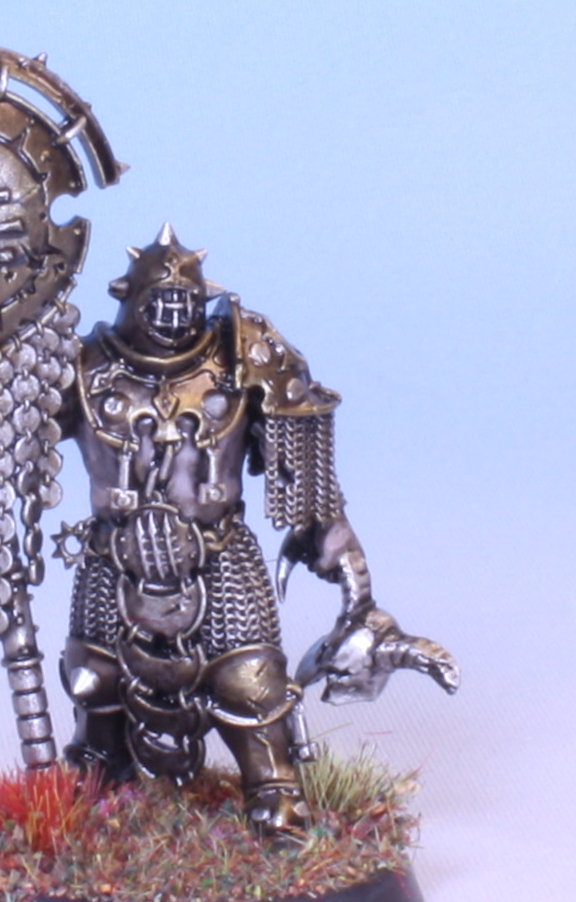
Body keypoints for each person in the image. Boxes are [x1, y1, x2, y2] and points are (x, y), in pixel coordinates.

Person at [54, 224, 458, 836]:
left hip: (219, 556)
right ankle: (100, 787)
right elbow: (14, 426)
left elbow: (304, 475)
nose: (171, 315)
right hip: (116, 559)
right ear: (129, 299)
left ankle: (274, 794)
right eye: (158, 301)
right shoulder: (82, 367)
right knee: (95, 677)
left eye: (183, 302)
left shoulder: (243, 359)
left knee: (249, 682)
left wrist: (348, 570)